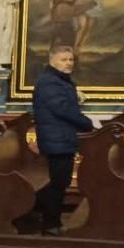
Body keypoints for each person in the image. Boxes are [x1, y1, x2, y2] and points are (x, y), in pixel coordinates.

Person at [32, 45, 96, 237]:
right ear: (52, 60)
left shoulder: (60, 80)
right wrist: (87, 123)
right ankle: (50, 224)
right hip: (56, 140)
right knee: (57, 184)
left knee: (59, 183)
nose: (69, 63)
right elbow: (62, 109)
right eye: (64, 59)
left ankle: (44, 219)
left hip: (61, 138)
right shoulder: (50, 82)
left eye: (71, 59)